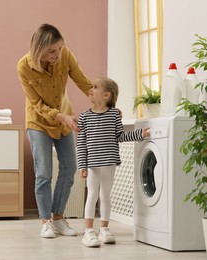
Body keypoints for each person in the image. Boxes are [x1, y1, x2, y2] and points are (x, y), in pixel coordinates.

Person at [16, 23, 92, 238]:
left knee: (69, 170)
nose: (57, 54)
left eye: (59, 48)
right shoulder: (24, 67)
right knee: (44, 174)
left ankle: (58, 218)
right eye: (51, 50)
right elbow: (36, 104)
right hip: (39, 123)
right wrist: (63, 117)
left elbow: (84, 82)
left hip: (63, 120)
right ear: (39, 49)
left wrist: (107, 104)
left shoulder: (65, 55)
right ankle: (45, 221)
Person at [77, 77, 150, 247]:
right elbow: (81, 143)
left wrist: (140, 134)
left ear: (106, 95)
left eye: (95, 87)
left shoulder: (113, 116)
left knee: (105, 195)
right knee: (93, 194)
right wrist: (82, 165)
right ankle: (88, 231)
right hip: (92, 164)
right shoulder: (84, 117)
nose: (90, 89)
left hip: (109, 161)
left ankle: (104, 229)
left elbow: (121, 137)